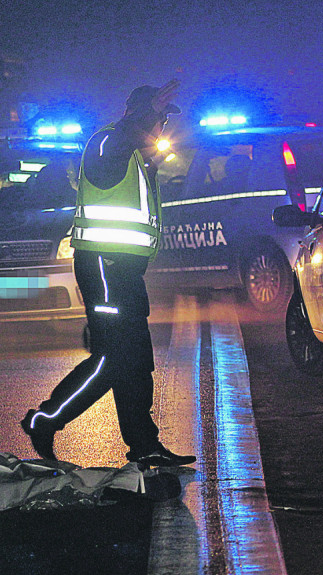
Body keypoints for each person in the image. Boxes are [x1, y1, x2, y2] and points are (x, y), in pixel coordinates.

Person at [20, 80, 195, 469]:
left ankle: (145, 444)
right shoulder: (107, 144)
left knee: (136, 360)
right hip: (103, 267)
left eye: (165, 120)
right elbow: (119, 147)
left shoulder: (137, 154)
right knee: (113, 358)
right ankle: (45, 420)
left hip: (125, 271)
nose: (162, 126)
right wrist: (145, 113)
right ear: (139, 115)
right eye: (159, 118)